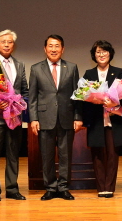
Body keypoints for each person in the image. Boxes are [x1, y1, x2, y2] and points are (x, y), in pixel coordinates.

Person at [28, 34, 83, 201]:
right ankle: (51, 187)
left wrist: (77, 117)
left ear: (63, 49)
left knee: (66, 155)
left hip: (67, 117)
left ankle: (64, 187)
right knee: (47, 156)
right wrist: (33, 119)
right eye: (50, 46)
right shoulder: (36, 69)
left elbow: (77, 95)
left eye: (57, 46)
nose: (53, 49)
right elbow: (32, 97)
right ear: (45, 49)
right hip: (45, 118)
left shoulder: (71, 67)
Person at [82, 40, 122, 198]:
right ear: (94, 55)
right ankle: (101, 187)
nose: (101, 54)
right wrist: (93, 100)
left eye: (104, 51)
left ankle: (109, 187)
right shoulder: (88, 74)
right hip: (96, 120)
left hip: (113, 120)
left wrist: (114, 104)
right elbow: (83, 97)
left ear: (110, 54)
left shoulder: (118, 72)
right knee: (97, 153)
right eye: (98, 52)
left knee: (112, 154)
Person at [0, 30, 29, 202]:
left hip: (14, 118)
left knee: (13, 155)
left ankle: (12, 189)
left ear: (13, 45)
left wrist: (21, 104)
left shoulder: (20, 65)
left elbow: (24, 90)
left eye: (10, 42)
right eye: (3, 42)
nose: (7, 44)